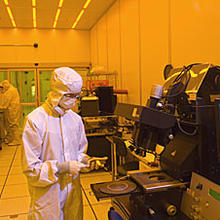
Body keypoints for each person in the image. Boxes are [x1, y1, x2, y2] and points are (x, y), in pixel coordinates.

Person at [21, 67, 100, 220]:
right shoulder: (35, 120)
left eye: (77, 96)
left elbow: (78, 153)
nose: (74, 100)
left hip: (72, 192)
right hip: (47, 195)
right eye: (71, 96)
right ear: (58, 93)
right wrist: (60, 168)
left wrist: (86, 161)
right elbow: (31, 169)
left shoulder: (75, 120)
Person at [0, 80, 21, 146]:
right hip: (11, 110)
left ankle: (16, 140)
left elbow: (5, 103)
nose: (2, 89)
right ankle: (10, 138)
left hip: (12, 110)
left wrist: (1, 107)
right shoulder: (11, 89)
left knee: (13, 125)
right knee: (9, 125)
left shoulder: (10, 91)